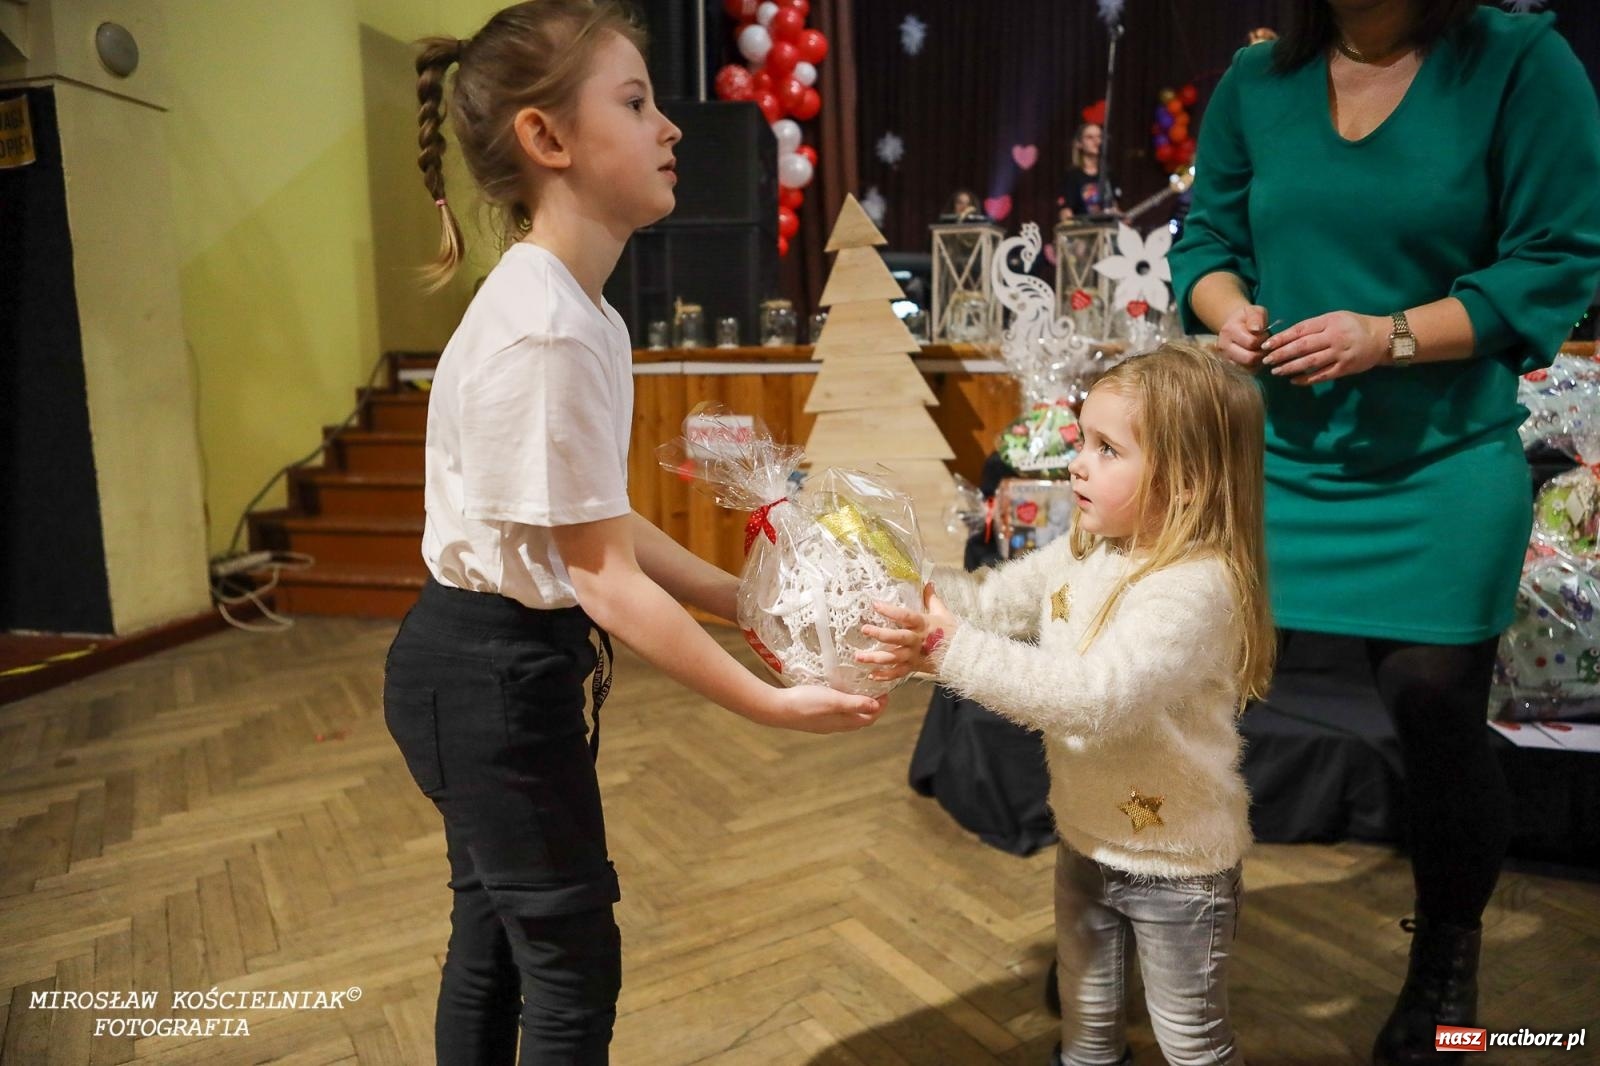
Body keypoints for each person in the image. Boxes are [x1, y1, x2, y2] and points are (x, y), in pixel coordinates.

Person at [385, 3, 887, 1062]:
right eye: (636, 102)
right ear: (548, 140)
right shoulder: (544, 330)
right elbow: (602, 576)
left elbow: (600, 528)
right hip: (485, 679)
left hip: (489, 669)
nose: (672, 129)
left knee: (497, 932)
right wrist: (770, 703)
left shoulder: (585, 313)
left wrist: (742, 598)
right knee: (566, 958)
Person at [1168, 2, 1600, 1062]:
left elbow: (1553, 263)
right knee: (1173, 692)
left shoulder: (1520, 65)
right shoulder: (1256, 82)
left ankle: (1445, 968)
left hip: (1442, 462)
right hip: (1271, 459)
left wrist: (1388, 336)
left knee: (1430, 703)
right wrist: (1224, 307)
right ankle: (1142, 920)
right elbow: (1206, 244)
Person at [861, 344, 1276, 1066]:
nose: (1076, 462)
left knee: (1192, 1045)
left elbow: (1094, 699)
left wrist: (943, 648)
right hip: (1084, 841)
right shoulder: (1090, 546)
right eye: (1084, 440)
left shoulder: (1195, 586)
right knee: (1086, 1033)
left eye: (1106, 449)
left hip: (1178, 870)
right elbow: (992, 602)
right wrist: (910, 591)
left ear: (1186, 481)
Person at [1056, 123, 1111, 223]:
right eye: (1090, 137)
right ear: (1079, 144)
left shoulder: (1108, 174)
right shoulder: (1072, 176)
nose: (1096, 141)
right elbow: (1065, 211)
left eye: (1099, 137)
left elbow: (1113, 206)